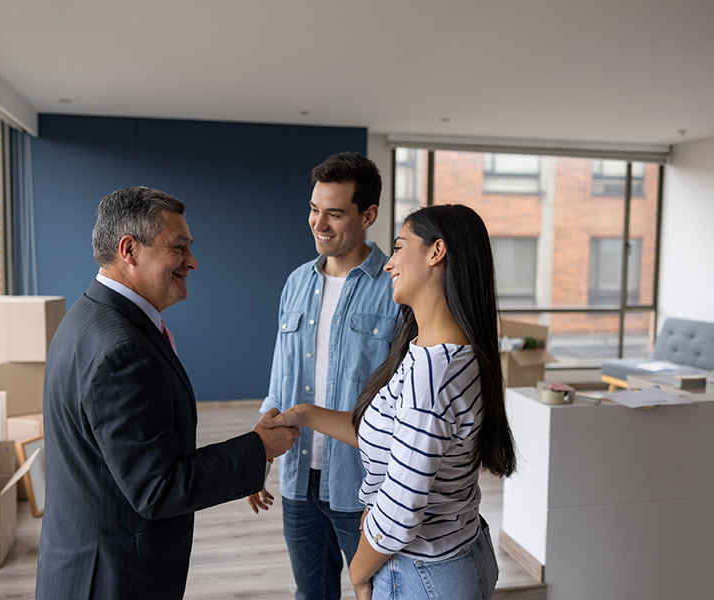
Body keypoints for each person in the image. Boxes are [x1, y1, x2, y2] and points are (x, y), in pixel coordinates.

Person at [35, 187, 299, 600]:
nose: (192, 261)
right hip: (113, 579)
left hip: (85, 563)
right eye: (179, 248)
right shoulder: (123, 350)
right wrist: (258, 447)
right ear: (129, 250)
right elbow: (158, 487)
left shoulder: (87, 316)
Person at [264, 204, 517, 600]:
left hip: (422, 572)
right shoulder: (441, 351)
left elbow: (399, 512)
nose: (389, 264)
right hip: (460, 551)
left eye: (399, 248)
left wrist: (359, 572)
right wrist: (305, 414)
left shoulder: (431, 375)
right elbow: (397, 439)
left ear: (437, 252)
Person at [248, 152, 400, 599]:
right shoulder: (296, 282)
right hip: (298, 479)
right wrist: (260, 451)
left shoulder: (395, 288)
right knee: (310, 594)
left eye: (334, 213)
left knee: (376, 592)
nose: (319, 223)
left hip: (363, 484)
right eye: (315, 209)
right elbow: (280, 379)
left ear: (368, 215)